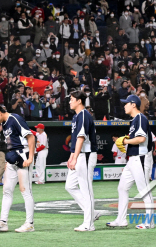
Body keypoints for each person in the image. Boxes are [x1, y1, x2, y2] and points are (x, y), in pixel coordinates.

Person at [107, 95, 154, 229]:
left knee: (144, 190)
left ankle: (149, 222)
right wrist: (128, 139)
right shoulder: (135, 120)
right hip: (132, 159)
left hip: (140, 157)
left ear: (133, 104)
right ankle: (121, 220)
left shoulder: (140, 118)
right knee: (122, 188)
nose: (124, 106)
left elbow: (141, 139)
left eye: (126, 103)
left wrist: (125, 141)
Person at [0, 103, 36, 233]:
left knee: (25, 190)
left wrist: (30, 158)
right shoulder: (4, 123)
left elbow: (31, 137)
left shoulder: (14, 119)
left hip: (23, 156)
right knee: (7, 190)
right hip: (12, 159)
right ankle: (3, 222)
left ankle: (29, 223)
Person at [64, 90, 97, 232]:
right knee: (70, 186)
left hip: (86, 154)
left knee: (86, 189)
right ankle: (92, 213)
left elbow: (81, 138)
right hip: (80, 155)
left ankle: (89, 224)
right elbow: (76, 139)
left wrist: (75, 157)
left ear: (79, 101)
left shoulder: (83, 115)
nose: (70, 101)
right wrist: (72, 157)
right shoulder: (77, 116)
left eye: (72, 99)